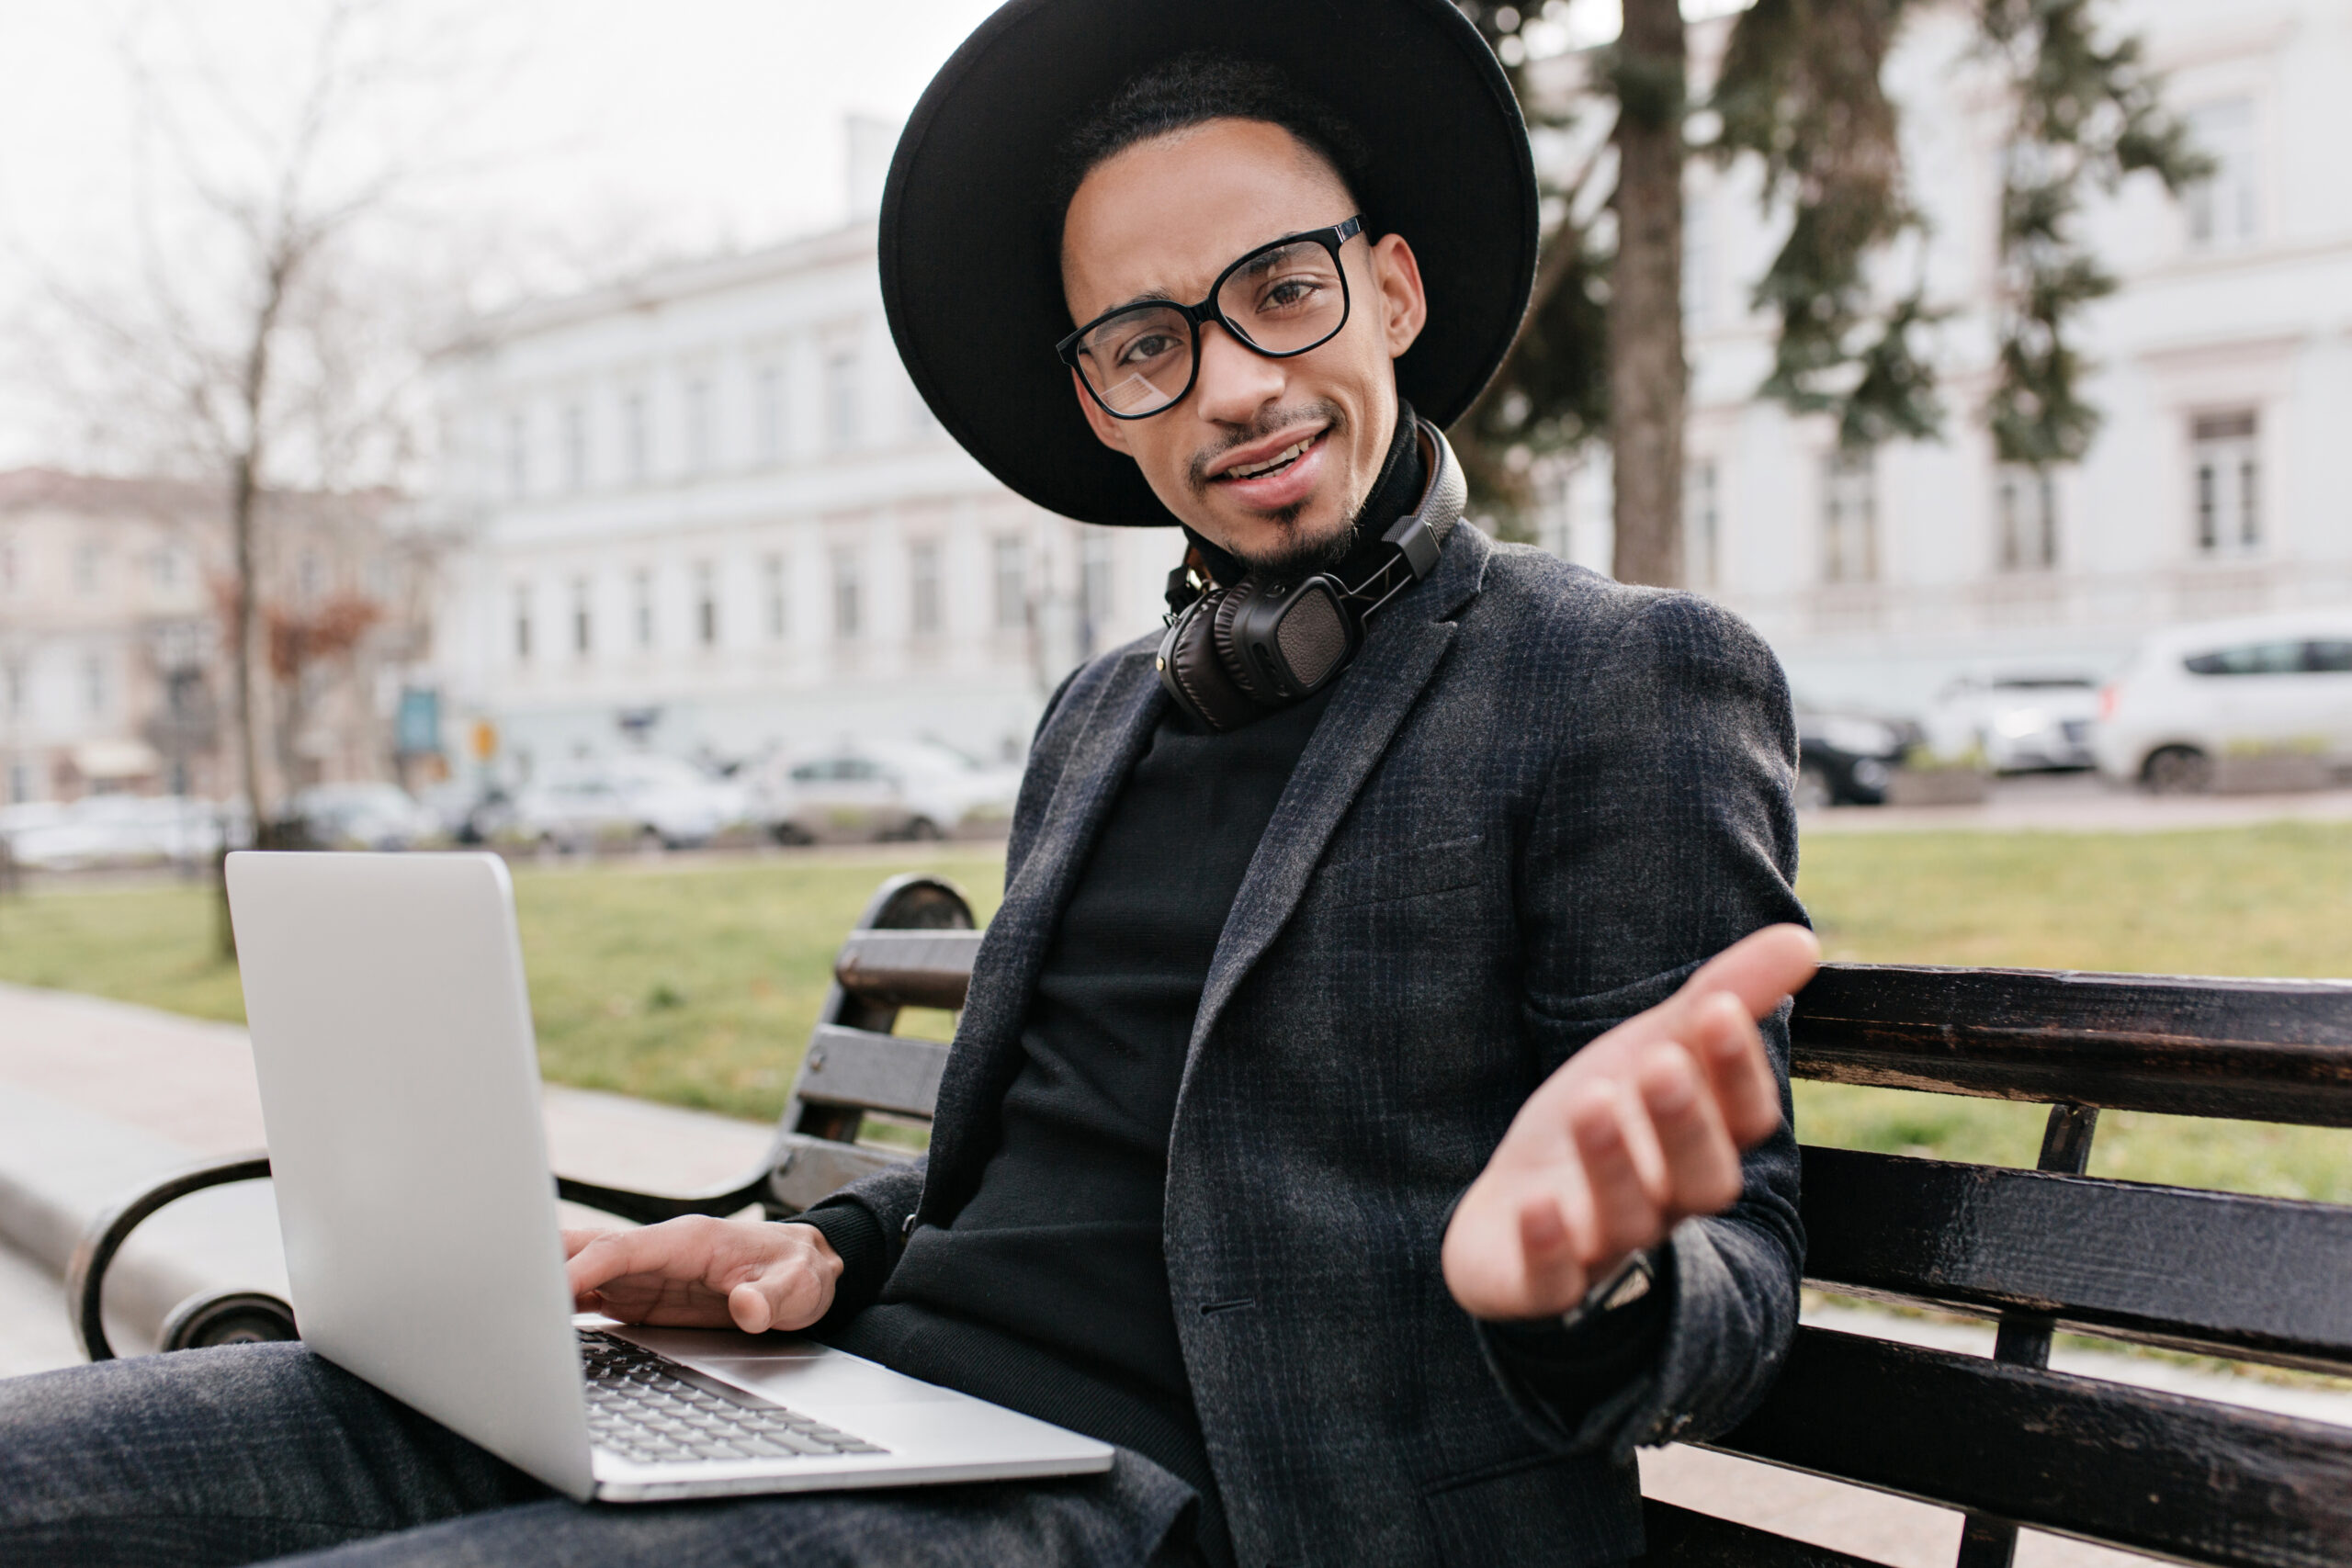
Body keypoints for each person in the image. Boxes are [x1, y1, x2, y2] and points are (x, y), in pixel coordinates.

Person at [0, 2, 1815, 1564]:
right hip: (846, 1399)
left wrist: (1588, 1279)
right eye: (1146, 340)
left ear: (1390, 284)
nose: (1236, 382)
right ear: (1101, 402)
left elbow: (1734, 1266)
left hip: (1188, 1500)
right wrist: (789, 1250)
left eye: (1280, 288)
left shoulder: (1615, 675)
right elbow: (1017, 1178)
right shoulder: (1102, 715)